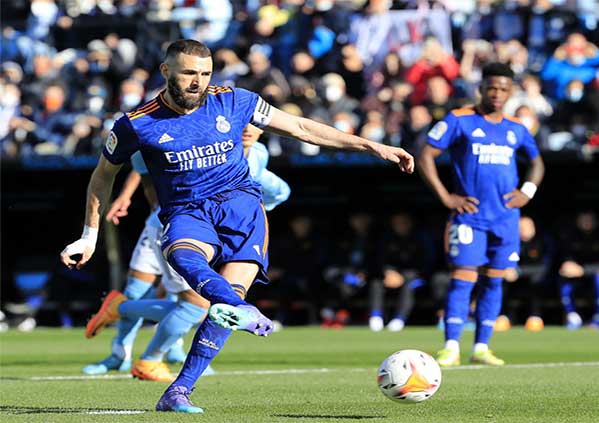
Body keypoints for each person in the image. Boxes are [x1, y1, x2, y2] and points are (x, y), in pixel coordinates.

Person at [60, 39, 413, 413]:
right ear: (166, 72)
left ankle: (177, 392)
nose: (198, 82)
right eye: (189, 73)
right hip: (186, 211)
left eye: (205, 73)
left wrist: (372, 146)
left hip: (241, 210)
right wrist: (89, 236)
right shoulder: (136, 123)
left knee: (221, 307)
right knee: (182, 255)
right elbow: (102, 177)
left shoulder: (235, 100)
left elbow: (299, 127)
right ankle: (236, 307)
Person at [83, 124, 290, 382]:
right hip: (176, 229)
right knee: (195, 306)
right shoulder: (189, 139)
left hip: (188, 230)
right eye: (243, 125)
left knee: (175, 300)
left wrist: (257, 211)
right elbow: (143, 165)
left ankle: (146, 338)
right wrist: (129, 195)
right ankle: (136, 356)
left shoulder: (257, 154)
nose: (247, 130)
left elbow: (277, 188)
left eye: (254, 125)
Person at [417, 62, 544, 367]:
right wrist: (446, 196)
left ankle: (482, 347)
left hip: (505, 219)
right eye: (492, 87)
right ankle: (450, 346)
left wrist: (527, 191)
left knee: (494, 282)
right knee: (462, 280)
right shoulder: (459, 120)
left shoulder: (516, 128)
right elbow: (425, 155)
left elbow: (537, 163)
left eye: (504, 88)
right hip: (470, 217)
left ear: (511, 91)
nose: (497, 93)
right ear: (481, 88)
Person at [556, 211, 599, 330]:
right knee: (564, 277)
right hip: (577, 279)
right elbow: (566, 259)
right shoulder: (571, 236)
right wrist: (568, 265)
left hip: (595, 276)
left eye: (589, 220)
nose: (587, 223)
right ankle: (573, 316)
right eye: (583, 220)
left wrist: (583, 270)